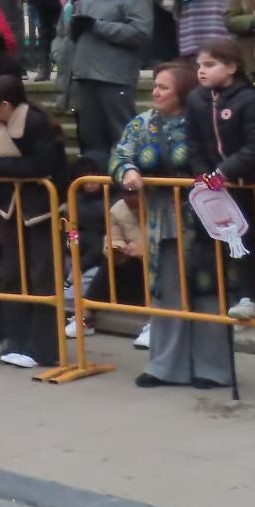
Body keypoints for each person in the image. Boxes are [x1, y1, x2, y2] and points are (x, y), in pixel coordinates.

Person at [148, 38, 255, 389]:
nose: (203, 70)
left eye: (211, 64)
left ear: (232, 67)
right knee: (213, 264)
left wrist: (226, 171)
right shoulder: (198, 101)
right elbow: (196, 144)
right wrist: (204, 175)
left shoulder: (250, 99)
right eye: (200, 64)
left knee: (241, 254)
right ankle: (178, 364)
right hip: (211, 194)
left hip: (247, 185)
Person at [0, 75, 67, 369]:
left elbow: (41, 165)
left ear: (4, 105)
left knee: (42, 276)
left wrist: (1, 165)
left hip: (41, 208)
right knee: (11, 274)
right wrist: (7, 168)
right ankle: (16, 341)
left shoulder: (36, 123)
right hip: (8, 208)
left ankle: (43, 348)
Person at [104, 62, 197, 352]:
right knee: (165, 287)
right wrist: (128, 171)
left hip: (198, 217)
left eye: (163, 86)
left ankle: (207, 362)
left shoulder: (200, 120)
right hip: (158, 217)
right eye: (155, 85)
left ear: (182, 90)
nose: (155, 91)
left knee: (202, 289)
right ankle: (165, 361)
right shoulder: (142, 122)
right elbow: (119, 155)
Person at [69, 0, 155, 171]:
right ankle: (97, 193)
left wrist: (98, 26)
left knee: (123, 135)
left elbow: (141, 33)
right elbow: (79, 26)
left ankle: (128, 185)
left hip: (115, 77)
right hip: (86, 74)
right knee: (91, 138)